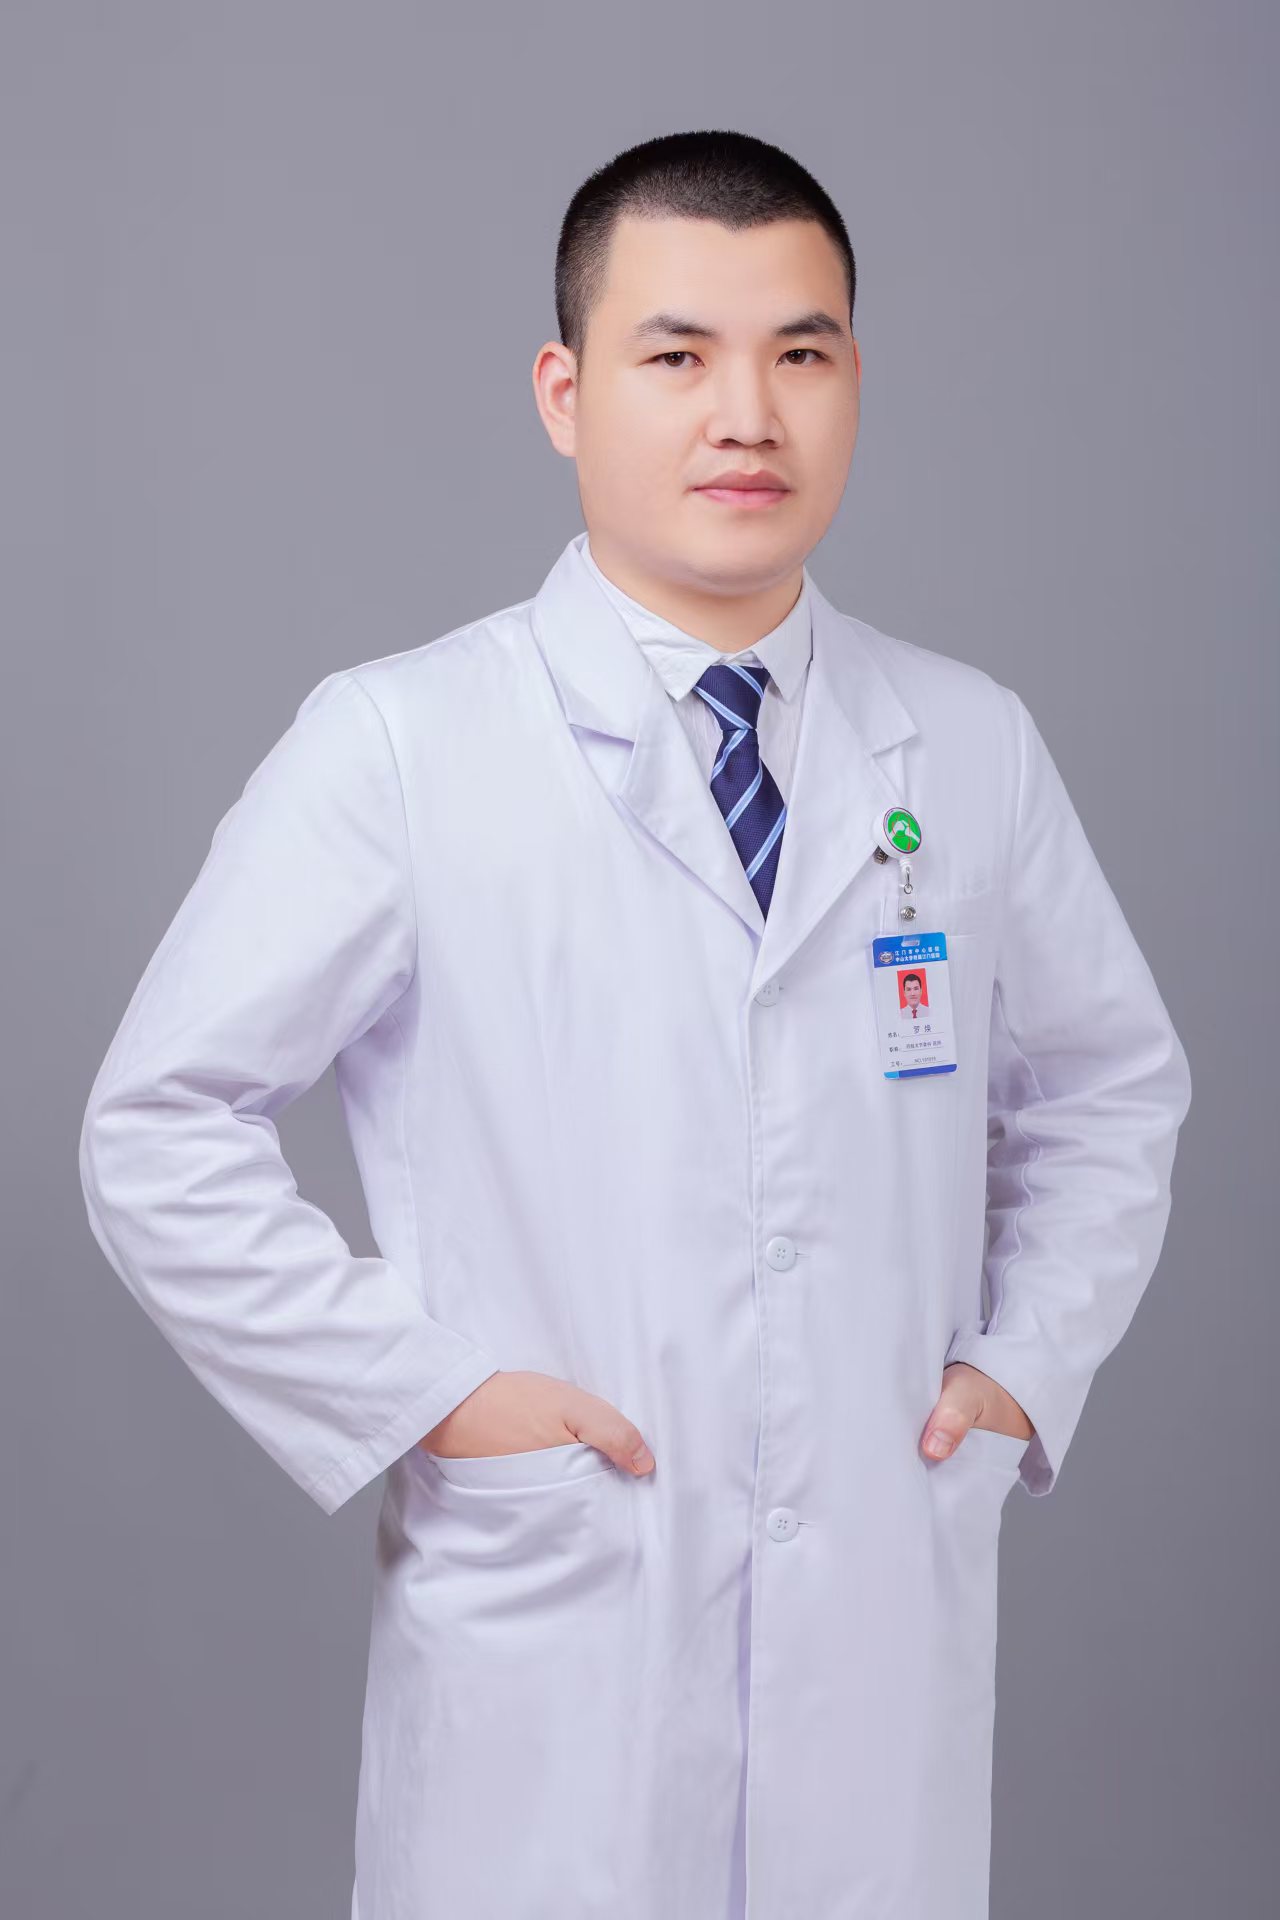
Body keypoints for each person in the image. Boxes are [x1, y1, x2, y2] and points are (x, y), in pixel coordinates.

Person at [77, 128, 1192, 1920]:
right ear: (565, 392)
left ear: (853, 381)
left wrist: (1020, 1370)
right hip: (562, 1625)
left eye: (799, 352)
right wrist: (432, 1399)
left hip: (878, 1624)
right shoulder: (402, 745)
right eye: (677, 355)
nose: (746, 415)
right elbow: (156, 1126)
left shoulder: (970, 741)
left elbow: (1111, 1089)